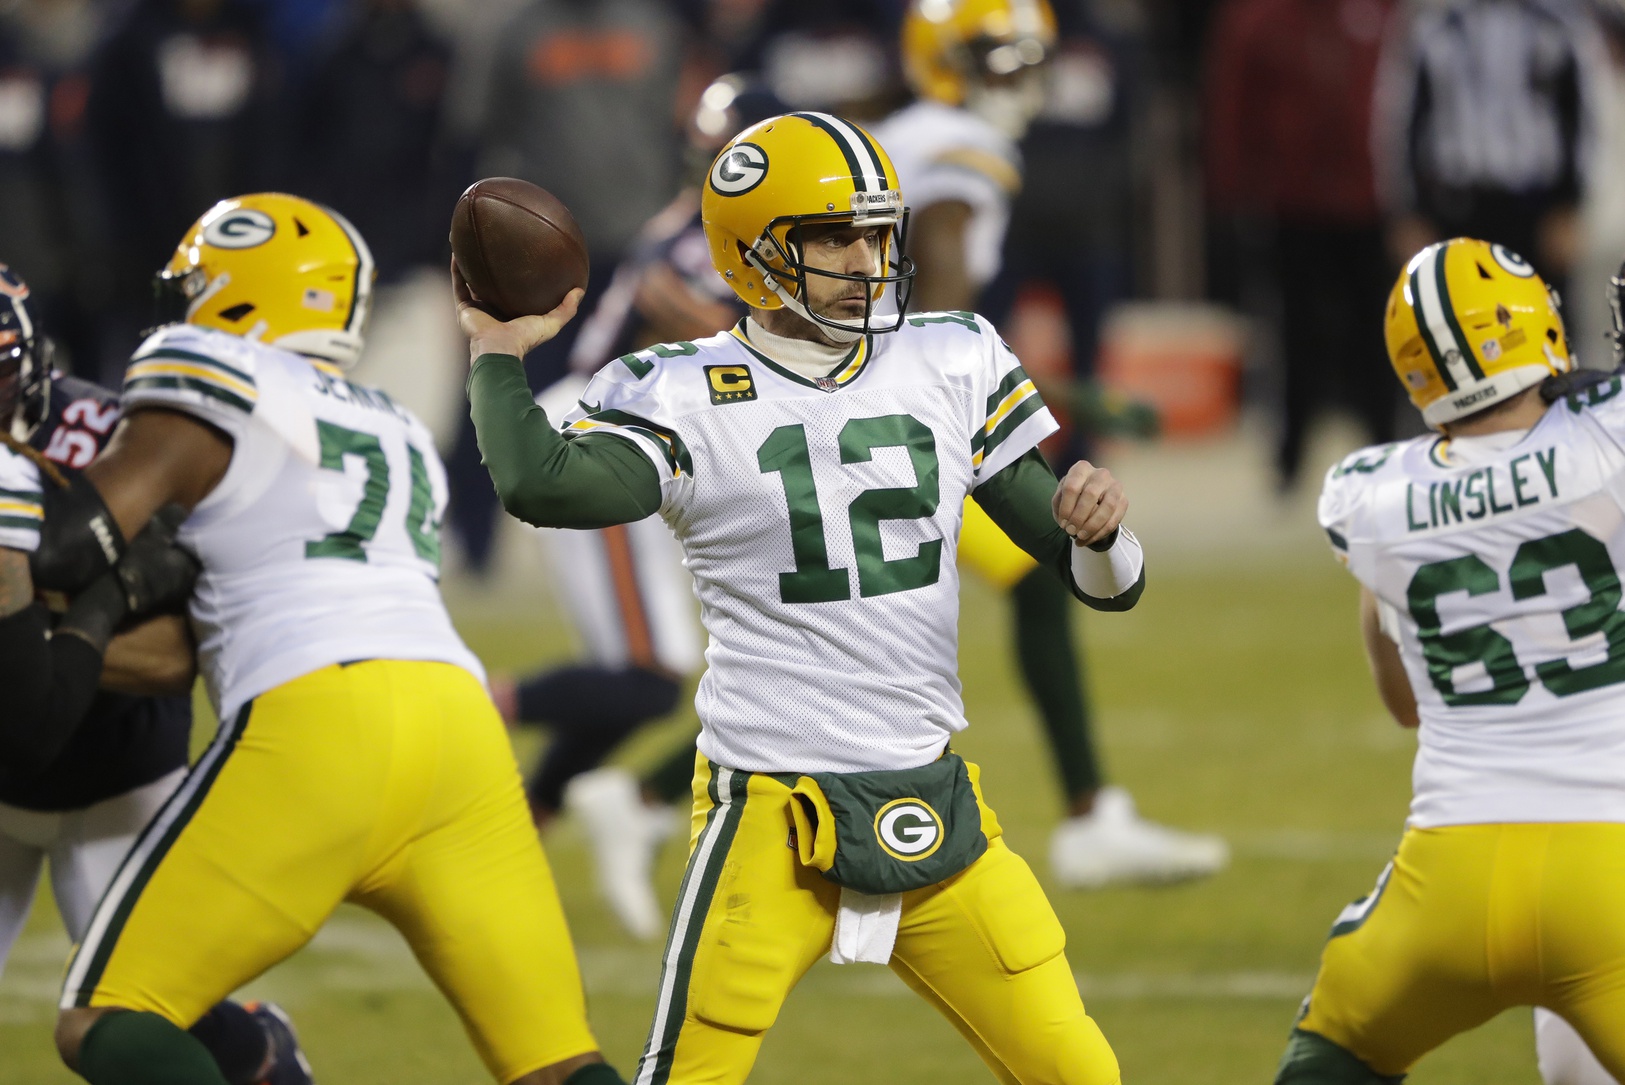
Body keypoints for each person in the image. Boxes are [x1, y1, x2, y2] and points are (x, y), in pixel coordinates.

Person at [464, 110, 1135, 1085]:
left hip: (935, 805)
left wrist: (1102, 531)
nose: (868, 259)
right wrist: (495, 346)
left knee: (1083, 1073)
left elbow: (1096, 577)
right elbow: (541, 484)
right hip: (767, 818)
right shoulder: (679, 387)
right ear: (753, 252)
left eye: (876, 233)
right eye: (834, 237)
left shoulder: (947, 354)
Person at [33, 194, 629, 1085]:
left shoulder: (208, 365)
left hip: (317, 723)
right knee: (554, 1061)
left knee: (112, 1021)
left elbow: (75, 543)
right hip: (458, 733)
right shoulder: (390, 422)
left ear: (242, 291)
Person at [873, 0, 1226, 887]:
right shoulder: (964, 146)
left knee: (850, 620)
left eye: (1025, 58)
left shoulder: (905, 132)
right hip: (895, 425)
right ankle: (1089, 818)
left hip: (863, 402)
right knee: (857, 626)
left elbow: (904, 305)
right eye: (995, 59)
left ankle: (1089, 815)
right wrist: (964, 395)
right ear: (943, 60)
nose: (1019, 79)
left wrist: (1040, 381)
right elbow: (942, 274)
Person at [1274, 237, 1625, 1083]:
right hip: (1609, 874)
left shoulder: (1370, 496)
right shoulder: (1608, 435)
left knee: (1329, 1050)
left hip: (1447, 885)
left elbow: (1402, 701)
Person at [0, 263, 315, 1085]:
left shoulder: (117, 435)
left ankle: (261, 1049)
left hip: (121, 776)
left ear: (31, 359)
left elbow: (181, 651)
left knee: (159, 1024)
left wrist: (29, 636)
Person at [492, 75, 787, 941]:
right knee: (650, 678)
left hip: (650, 452)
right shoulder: (696, 249)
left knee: (644, 682)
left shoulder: (713, 241)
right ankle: (457, 700)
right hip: (609, 440)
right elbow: (730, 353)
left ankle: (512, 837)